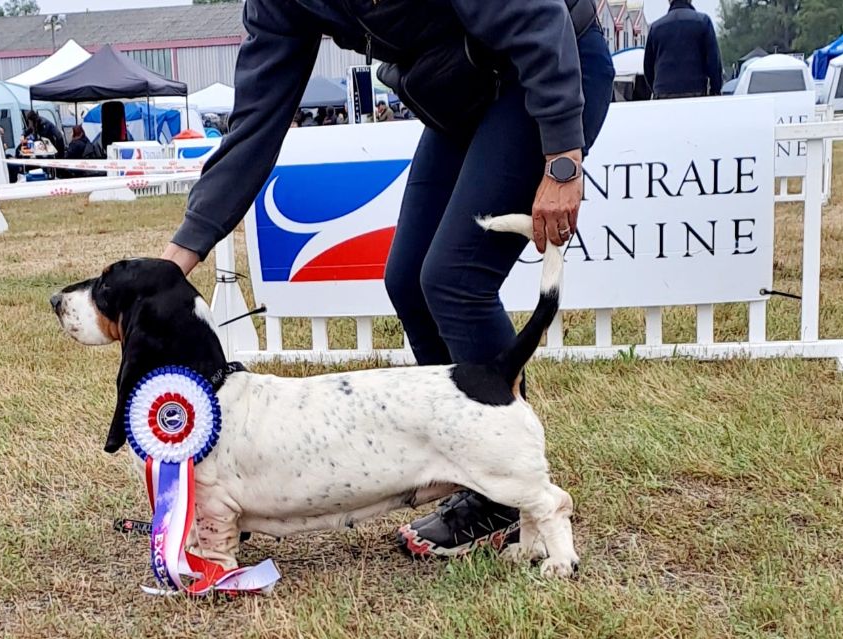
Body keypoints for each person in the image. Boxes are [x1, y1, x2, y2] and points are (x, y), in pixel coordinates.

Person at [159, 0, 615, 559]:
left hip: (548, 67)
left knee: (454, 277)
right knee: (407, 279)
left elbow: (534, 19)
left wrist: (563, 161)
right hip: (463, 92)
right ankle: (463, 460)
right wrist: (176, 259)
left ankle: (502, 495)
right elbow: (257, 119)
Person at [643, 0, 723, 99]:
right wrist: (715, 90)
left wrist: (657, 89)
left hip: (663, 91)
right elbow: (714, 61)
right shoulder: (703, 22)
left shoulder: (655, 28)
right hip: (695, 90)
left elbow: (648, 67)